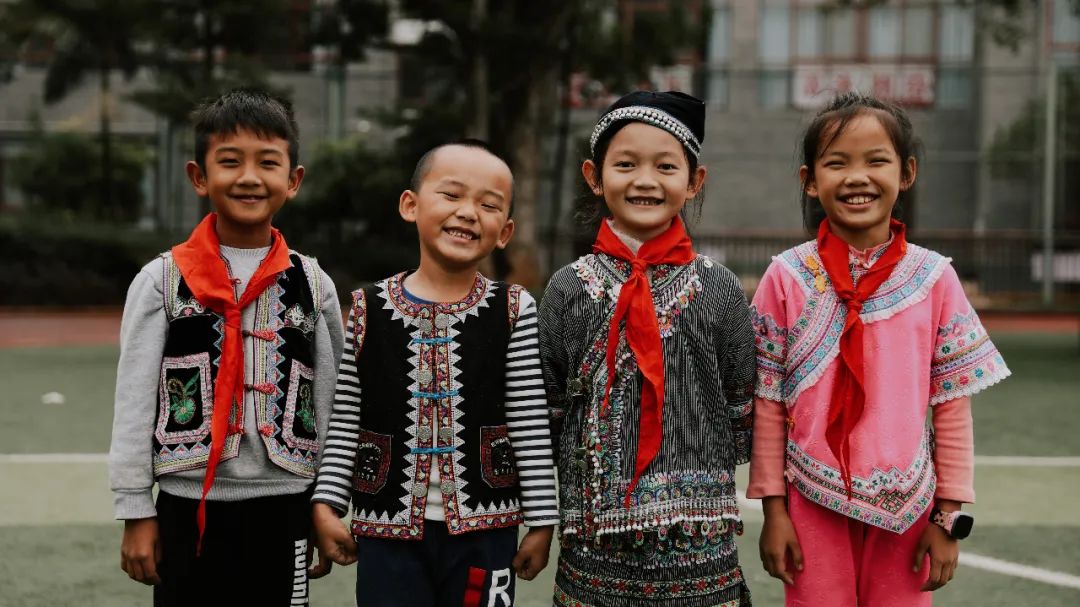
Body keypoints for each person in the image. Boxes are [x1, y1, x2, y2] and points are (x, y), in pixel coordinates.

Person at [748, 91, 1010, 606]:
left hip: (910, 509)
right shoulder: (786, 277)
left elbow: (952, 407)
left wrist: (948, 516)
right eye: (836, 163)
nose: (857, 177)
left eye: (876, 161)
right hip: (811, 501)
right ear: (809, 180)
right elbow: (768, 403)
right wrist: (774, 511)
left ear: (906, 173)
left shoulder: (934, 278)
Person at [108, 88, 344, 606]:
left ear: (293, 180)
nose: (249, 177)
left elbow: (333, 398)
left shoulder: (314, 283)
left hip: (287, 503)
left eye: (268, 162)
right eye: (230, 161)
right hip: (186, 503)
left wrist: (326, 501)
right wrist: (135, 509)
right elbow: (133, 401)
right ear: (199, 176)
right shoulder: (161, 280)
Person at [310, 139, 559, 607]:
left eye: (488, 205)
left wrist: (542, 521)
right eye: (451, 194)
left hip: (487, 528)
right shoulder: (367, 308)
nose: (468, 212)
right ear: (411, 205)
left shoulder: (515, 309)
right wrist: (326, 503)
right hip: (385, 528)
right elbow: (346, 418)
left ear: (505, 231)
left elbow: (529, 420)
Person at [539, 90, 756, 607]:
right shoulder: (566, 288)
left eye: (665, 166)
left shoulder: (720, 287)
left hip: (699, 542)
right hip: (593, 543)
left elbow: (741, 400)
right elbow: (548, 407)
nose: (644, 180)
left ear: (694, 181)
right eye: (625, 164)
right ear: (594, 176)